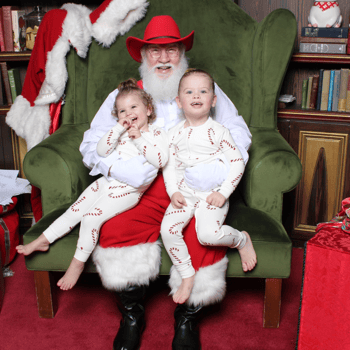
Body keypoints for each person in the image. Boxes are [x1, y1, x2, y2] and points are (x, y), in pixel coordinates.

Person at [80, 15, 253, 350]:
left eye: (170, 50)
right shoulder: (126, 96)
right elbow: (92, 144)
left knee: (202, 239)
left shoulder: (201, 87)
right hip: (140, 188)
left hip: (192, 188)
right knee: (116, 231)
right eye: (154, 51)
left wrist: (215, 174)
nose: (162, 58)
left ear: (181, 52)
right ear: (143, 56)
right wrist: (120, 168)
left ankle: (187, 318)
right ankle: (132, 314)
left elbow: (239, 135)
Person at [16, 78, 168, 291]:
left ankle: (77, 263)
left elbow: (160, 160)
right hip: (107, 182)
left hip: (128, 191)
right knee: (74, 210)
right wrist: (116, 129)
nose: (128, 114)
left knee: (91, 218)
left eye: (134, 107)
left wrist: (140, 139)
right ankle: (42, 239)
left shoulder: (157, 133)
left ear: (149, 110)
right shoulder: (119, 131)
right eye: (122, 111)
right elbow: (101, 151)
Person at [161, 69, 257, 304]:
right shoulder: (172, 134)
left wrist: (223, 193)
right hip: (184, 193)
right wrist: (173, 191)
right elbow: (169, 166)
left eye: (203, 91)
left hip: (211, 194)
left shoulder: (219, 131)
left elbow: (236, 163)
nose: (196, 96)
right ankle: (187, 274)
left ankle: (241, 240)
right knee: (168, 230)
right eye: (189, 92)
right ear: (179, 102)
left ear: (213, 101)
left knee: (207, 235)